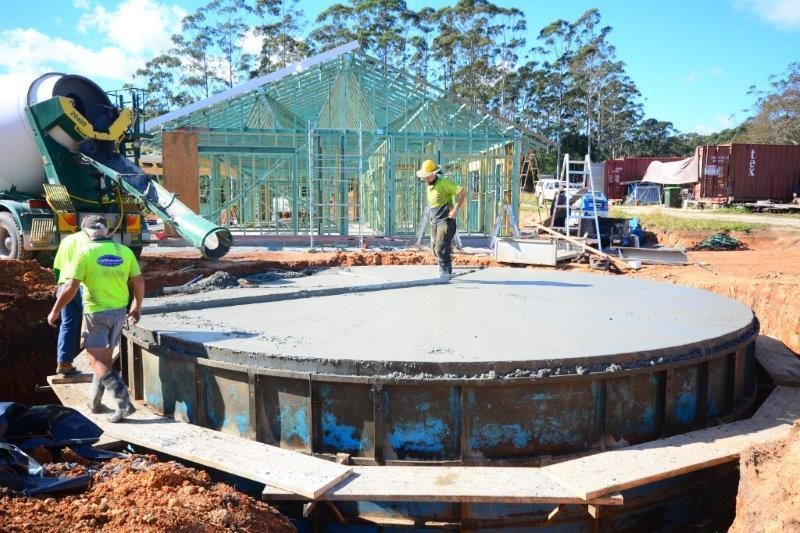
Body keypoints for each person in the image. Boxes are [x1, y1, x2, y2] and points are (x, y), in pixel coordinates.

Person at [47, 215, 144, 422]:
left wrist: (56, 310)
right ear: (107, 231)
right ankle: (95, 402)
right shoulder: (125, 251)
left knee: (94, 360)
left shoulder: (85, 252)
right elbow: (138, 281)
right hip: (119, 312)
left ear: (86, 232)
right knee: (105, 360)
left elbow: (71, 287)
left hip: (96, 314)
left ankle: (123, 402)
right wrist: (136, 307)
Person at [416, 159, 466, 278]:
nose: (426, 178)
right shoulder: (429, 185)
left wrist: (455, 210)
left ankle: (444, 274)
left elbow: (462, 192)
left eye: (428, 176)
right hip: (435, 221)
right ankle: (446, 270)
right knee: (435, 248)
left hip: (445, 220)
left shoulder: (444, 183)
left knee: (441, 247)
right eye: (425, 176)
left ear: (434, 173)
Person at [51, 229, 90, 375]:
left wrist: (61, 286)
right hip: (84, 286)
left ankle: (64, 363)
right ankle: (96, 362)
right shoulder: (91, 241)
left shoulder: (66, 240)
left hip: (65, 285)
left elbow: (57, 267)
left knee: (67, 324)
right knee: (93, 323)